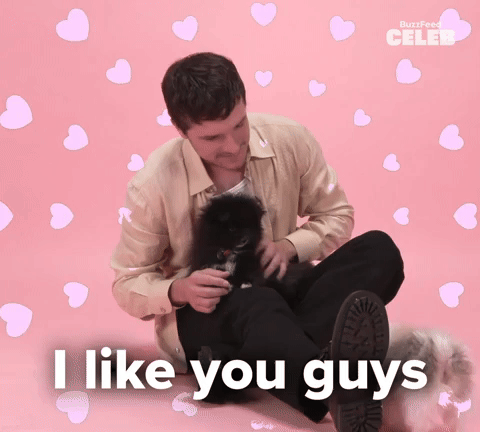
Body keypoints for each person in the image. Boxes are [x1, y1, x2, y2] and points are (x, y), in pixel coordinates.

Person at [110, 51, 405, 431]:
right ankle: (332, 390)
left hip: (282, 293)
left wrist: (290, 246)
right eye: (212, 137)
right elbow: (127, 283)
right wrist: (179, 289)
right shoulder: (151, 185)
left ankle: (278, 356)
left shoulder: (291, 139)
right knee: (258, 303)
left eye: (239, 124)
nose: (233, 146)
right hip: (207, 319)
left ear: (245, 103)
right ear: (181, 130)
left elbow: (337, 215)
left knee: (379, 250)